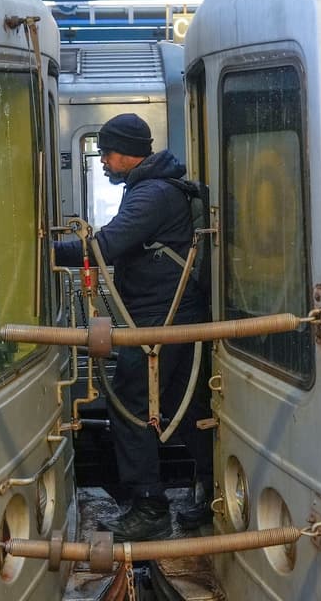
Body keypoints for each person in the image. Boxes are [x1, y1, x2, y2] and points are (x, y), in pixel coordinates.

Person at [54, 112, 213, 542]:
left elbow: (105, 246)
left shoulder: (151, 194)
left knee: (128, 406)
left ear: (128, 153)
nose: (103, 160)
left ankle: (150, 506)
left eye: (107, 151)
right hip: (173, 318)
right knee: (186, 409)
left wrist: (45, 251)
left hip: (157, 323)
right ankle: (213, 491)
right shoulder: (155, 188)